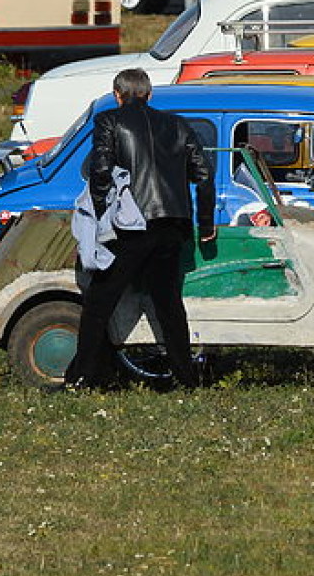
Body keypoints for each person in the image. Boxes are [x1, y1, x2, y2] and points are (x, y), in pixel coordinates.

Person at [64, 68, 216, 389]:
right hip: (172, 224)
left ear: (117, 95)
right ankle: (186, 378)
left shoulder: (109, 120)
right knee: (169, 305)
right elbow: (203, 174)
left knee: (99, 303)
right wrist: (205, 224)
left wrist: (102, 217)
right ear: (149, 94)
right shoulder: (177, 124)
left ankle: (81, 377)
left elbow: (101, 169)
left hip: (130, 226)